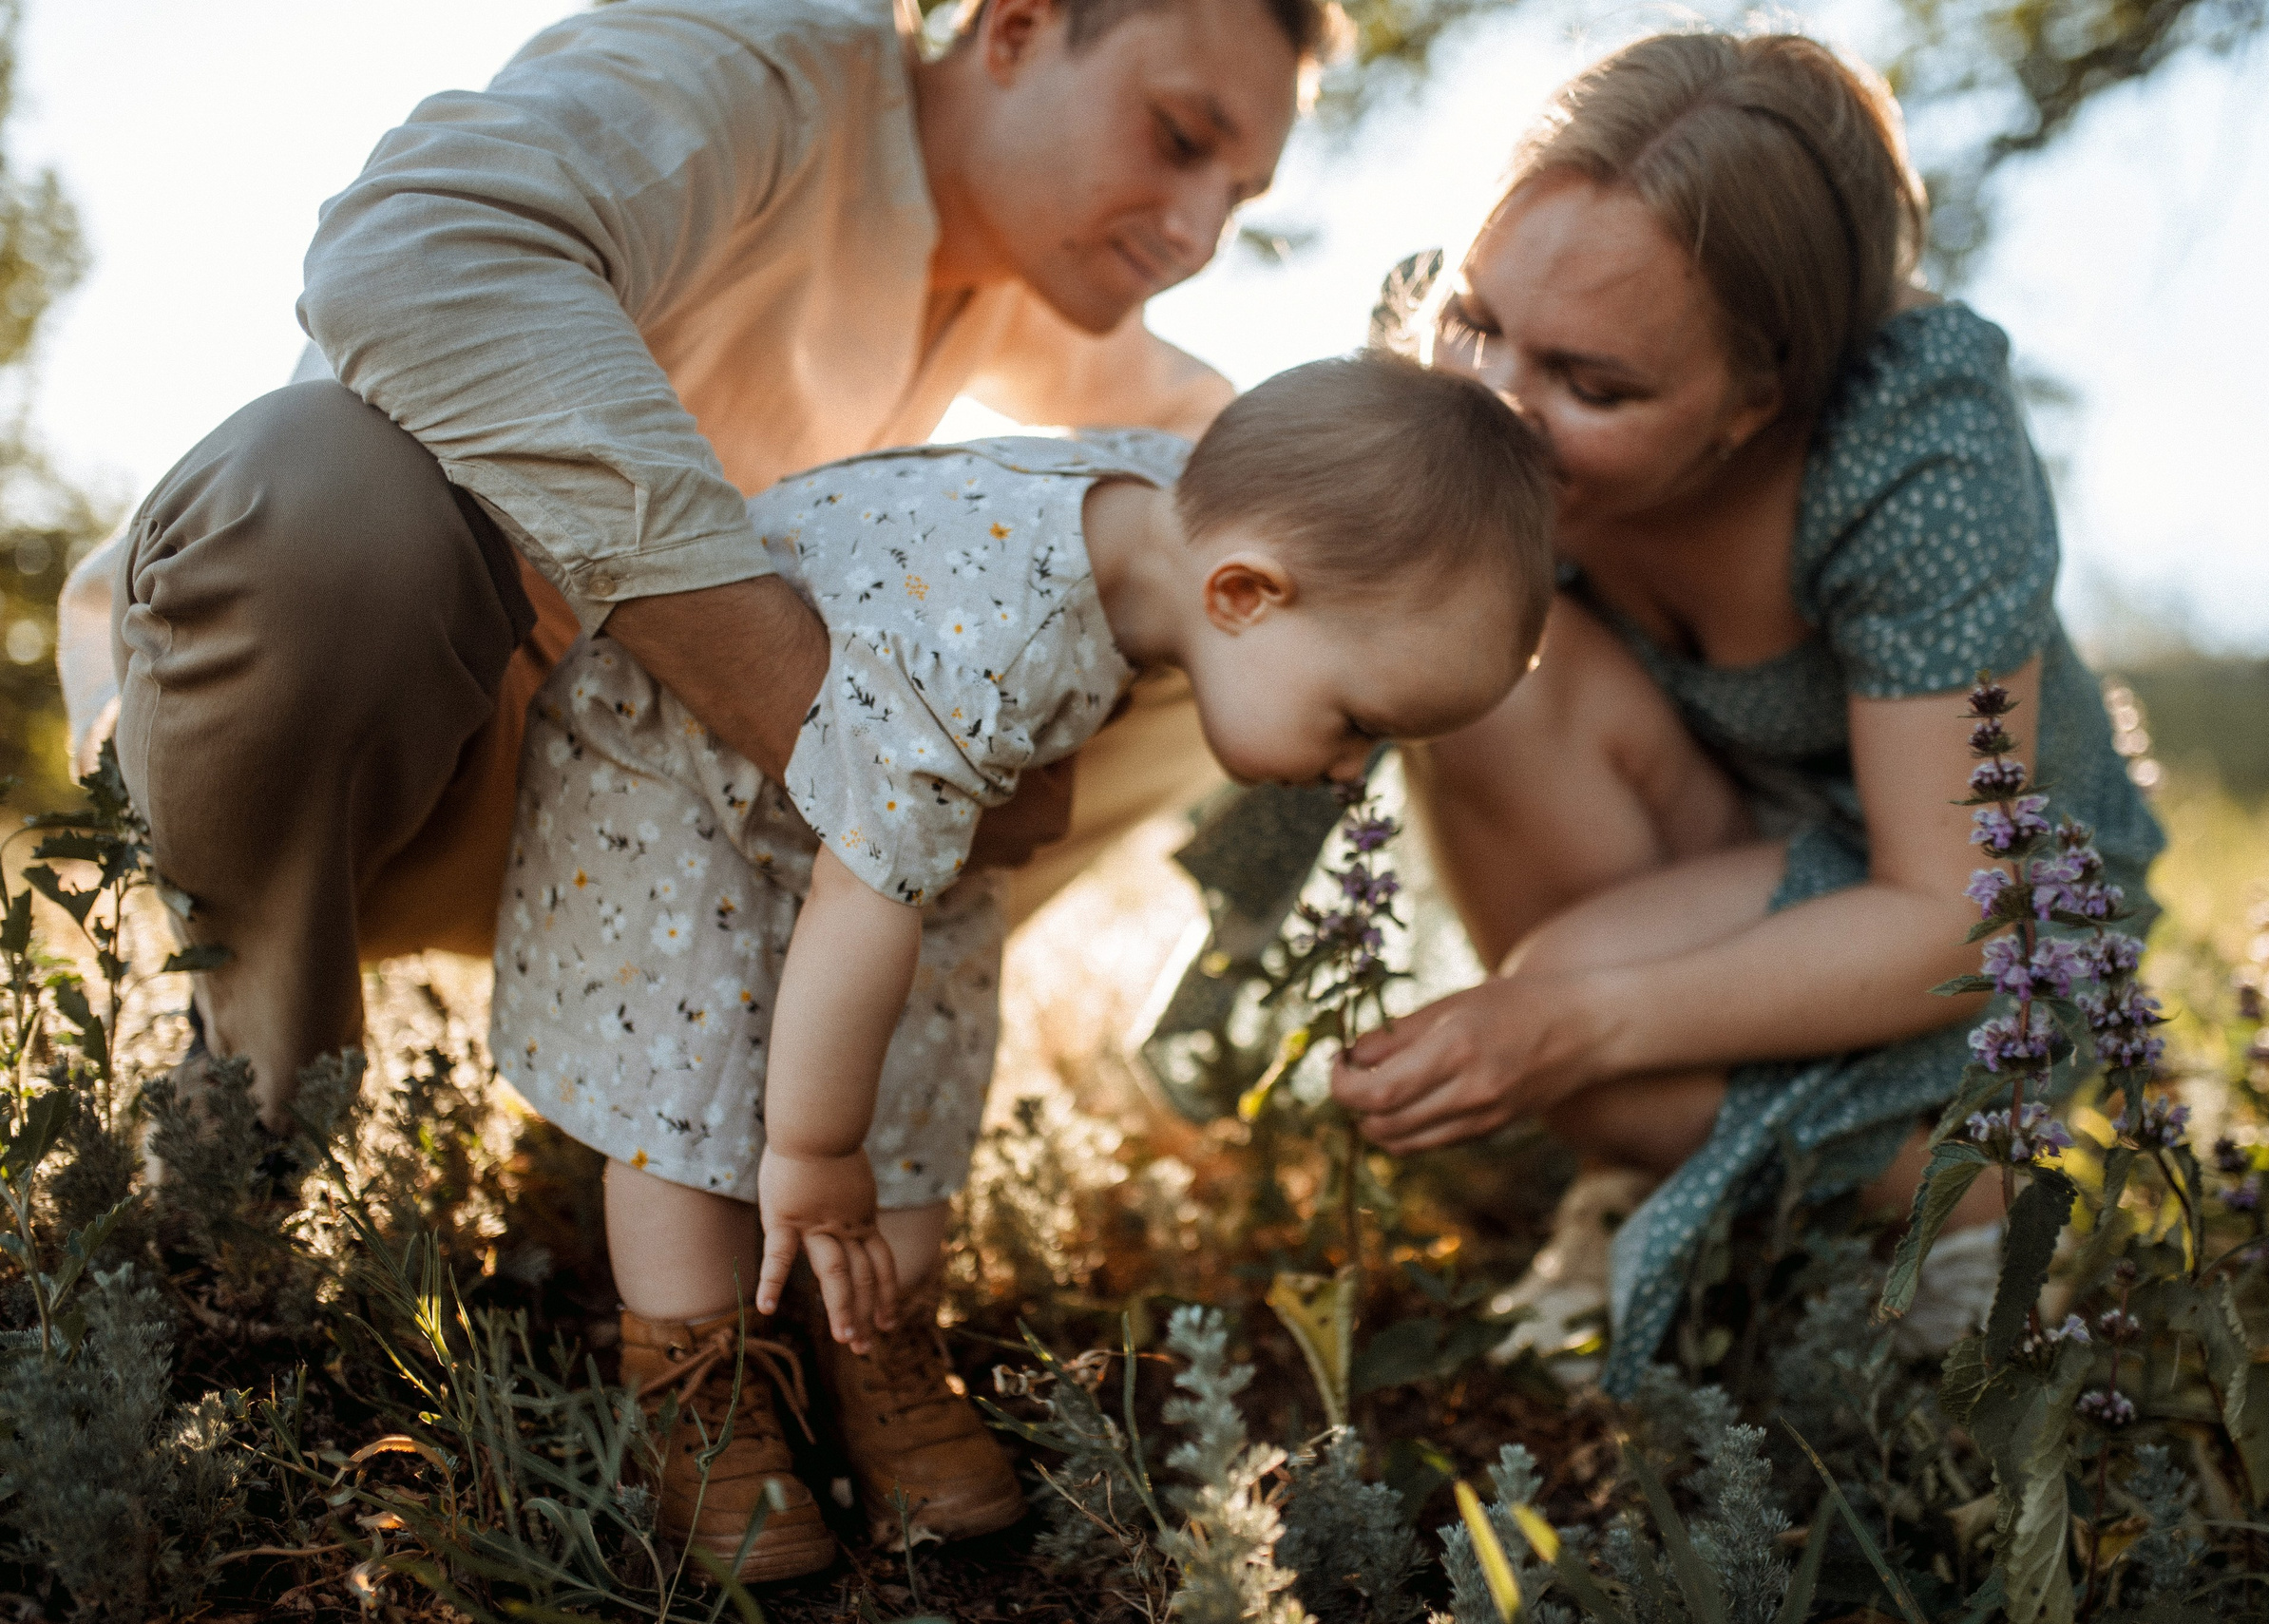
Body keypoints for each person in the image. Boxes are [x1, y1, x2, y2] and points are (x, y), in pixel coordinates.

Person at [54, 0, 1340, 1572]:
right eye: (1180, 137)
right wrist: (832, 730)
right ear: (1014, 28)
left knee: (1234, 594)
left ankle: (718, 1107)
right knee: (322, 495)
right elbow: (412, 250)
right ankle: (244, 1123)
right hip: (385, 761)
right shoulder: (757, 64)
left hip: (655, 842)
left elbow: (1262, 476)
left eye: (1240, 196)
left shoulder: (1025, 284)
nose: (1196, 231)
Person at [494, 353, 1554, 1575]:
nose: (1350, 772)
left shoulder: (1171, 507)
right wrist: (816, 1152)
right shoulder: (991, 643)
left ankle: (872, 1335)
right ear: (1243, 594)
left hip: (883, 794)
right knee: (686, 1086)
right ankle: (695, 1371)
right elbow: (858, 895)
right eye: (1358, 723)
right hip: (682, 772)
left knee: (928, 1041)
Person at [1330, 30, 2165, 1395]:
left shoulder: (1917, 445)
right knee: (1472, 669)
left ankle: (1964, 1191)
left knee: (1577, 1042)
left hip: (1976, 912)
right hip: (1715, 841)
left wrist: (1575, 1020)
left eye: (1594, 386)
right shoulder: (1458, 361)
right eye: (1479, 324)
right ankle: (1667, 1160)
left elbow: (1952, 912)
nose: (1494, 406)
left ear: (1756, 395)